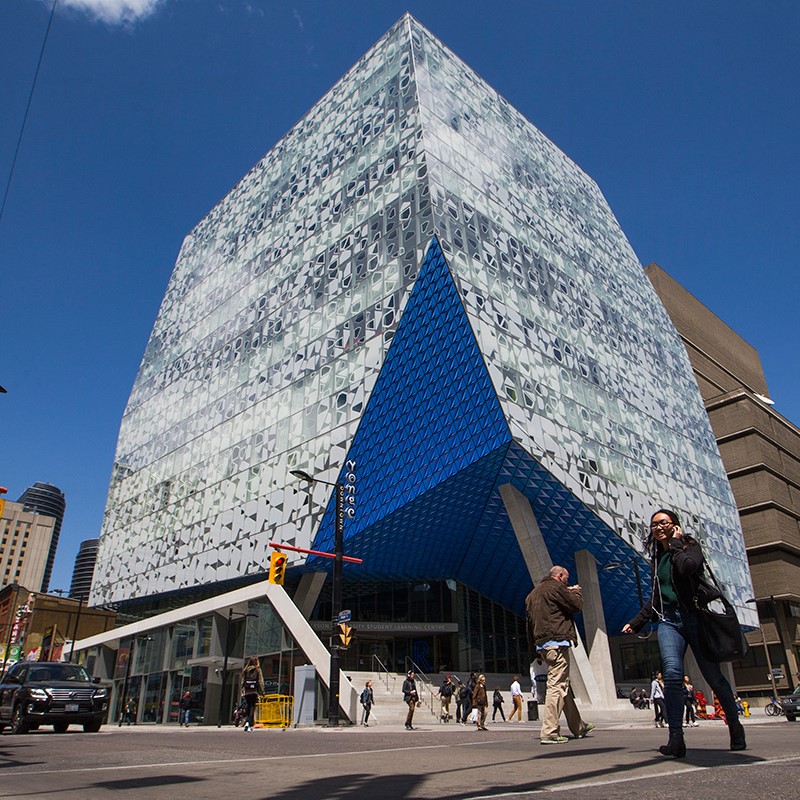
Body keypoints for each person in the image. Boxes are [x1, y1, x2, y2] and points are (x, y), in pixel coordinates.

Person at [623, 509, 746, 757]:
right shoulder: (657, 558)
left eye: (663, 523)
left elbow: (688, 567)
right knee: (671, 674)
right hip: (668, 622)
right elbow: (657, 597)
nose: (657, 527)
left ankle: (734, 725)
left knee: (714, 678)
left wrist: (676, 543)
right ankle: (676, 738)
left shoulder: (689, 548)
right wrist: (637, 621)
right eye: (654, 524)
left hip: (695, 619)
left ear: (675, 525)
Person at [526, 565, 595, 745]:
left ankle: (578, 726)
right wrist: (576, 592)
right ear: (560, 576)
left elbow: (529, 626)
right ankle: (549, 731)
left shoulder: (532, 595)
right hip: (558, 643)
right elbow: (576, 606)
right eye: (566, 578)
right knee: (556, 686)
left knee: (562, 684)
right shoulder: (557, 588)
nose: (568, 581)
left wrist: (535, 651)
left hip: (543, 645)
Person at [241, 655, 264, 732]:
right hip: (254, 691)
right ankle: (249, 724)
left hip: (247, 691)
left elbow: (242, 681)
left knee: (248, 705)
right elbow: (261, 681)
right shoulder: (258, 670)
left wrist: (242, 690)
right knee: (252, 707)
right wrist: (262, 692)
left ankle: (247, 722)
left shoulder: (245, 670)